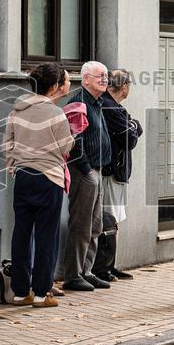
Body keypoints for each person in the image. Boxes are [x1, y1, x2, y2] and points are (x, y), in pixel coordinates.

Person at [3, 63, 75, 307]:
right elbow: (66, 147)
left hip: (23, 176)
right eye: (65, 80)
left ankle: (21, 292)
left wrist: (15, 167)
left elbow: (8, 144)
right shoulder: (56, 113)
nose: (68, 83)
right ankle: (43, 293)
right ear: (54, 86)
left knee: (21, 233)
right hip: (49, 178)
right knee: (47, 236)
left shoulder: (16, 110)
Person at [60, 61, 112, 291]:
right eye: (100, 75)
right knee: (81, 225)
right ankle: (73, 275)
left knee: (95, 225)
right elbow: (73, 139)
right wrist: (85, 169)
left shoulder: (98, 102)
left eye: (106, 75)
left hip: (97, 170)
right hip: (85, 171)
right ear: (86, 79)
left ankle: (86, 271)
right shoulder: (78, 101)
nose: (105, 79)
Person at [92, 69, 143, 282]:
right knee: (109, 220)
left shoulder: (114, 107)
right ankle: (103, 267)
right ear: (124, 87)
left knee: (112, 221)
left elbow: (135, 128)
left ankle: (109, 265)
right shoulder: (111, 108)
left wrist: (132, 126)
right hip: (112, 172)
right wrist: (132, 126)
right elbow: (130, 138)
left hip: (115, 172)